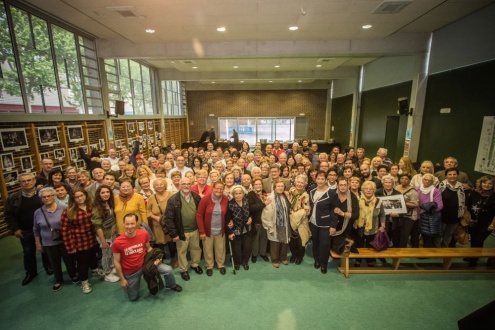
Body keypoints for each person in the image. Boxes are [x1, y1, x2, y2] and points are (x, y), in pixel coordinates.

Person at [112, 213, 182, 301]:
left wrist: (158, 258)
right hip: (131, 271)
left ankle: (171, 285)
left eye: (132, 223)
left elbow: (149, 249)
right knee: (133, 298)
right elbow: (116, 262)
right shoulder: (118, 242)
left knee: (168, 269)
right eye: (127, 224)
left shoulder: (144, 234)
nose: (130, 226)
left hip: (146, 264)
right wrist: (122, 279)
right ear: (123, 224)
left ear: (137, 223)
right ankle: (135, 283)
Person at [5, 173, 51, 285]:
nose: (27, 183)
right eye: (23, 181)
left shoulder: (43, 195)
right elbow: (8, 215)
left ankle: (48, 267)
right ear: (19, 183)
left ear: (34, 181)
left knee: (46, 249)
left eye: (29, 180)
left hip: (42, 228)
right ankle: (31, 272)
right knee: (28, 252)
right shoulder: (13, 198)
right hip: (25, 230)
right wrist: (15, 228)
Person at [33, 187, 78, 291]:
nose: (47, 198)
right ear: (41, 199)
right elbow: (35, 229)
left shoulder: (64, 208)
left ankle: (73, 275)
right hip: (48, 242)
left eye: (49, 196)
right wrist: (38, 243)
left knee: (69, 259)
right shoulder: (38, 212)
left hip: (65, 240)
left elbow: (72, 224)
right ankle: (58, 279)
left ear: (54, 196)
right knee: (54, 262)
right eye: (44, 197)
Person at [61, 188, 103, 294]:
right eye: (77, 197)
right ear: (73, 198)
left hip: (92, 238)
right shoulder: (68, 212)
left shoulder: (91, 207)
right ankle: (84, 282)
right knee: (82, 263)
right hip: (79, 241)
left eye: (81, 196)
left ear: (86, 195)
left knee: (93, 256)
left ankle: (94, 269)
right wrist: (70, 246)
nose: (80, 198)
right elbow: (65, 231)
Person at [163, 177, 203, 281]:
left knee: (196, 249)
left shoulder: (196, 197)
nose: (186, 186)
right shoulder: (173, 200)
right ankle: (183, 270)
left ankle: (195, 264)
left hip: (195, 230)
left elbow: (201, 214)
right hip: (181, 232)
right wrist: (174, 234)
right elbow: (168, 219)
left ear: (191, 185)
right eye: (183, 184)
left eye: (188, 184)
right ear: (179, 185)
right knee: (182, 252)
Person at [196, 181, 229, 276]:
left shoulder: (225, 199)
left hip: (220, 230)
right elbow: (199, 215)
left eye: (221, 189)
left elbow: (227, 214)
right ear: (213, 188)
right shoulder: (205, 199)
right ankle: (209, 266)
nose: (219, 190)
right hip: (207, 231)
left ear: (223, 190)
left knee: (220, 249)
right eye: (217, 188)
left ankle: (220, 265)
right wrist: (201, 231)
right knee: (207, 249)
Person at [308, 171, 338, 273]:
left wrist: (333, 226)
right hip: (313, 222)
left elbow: (334, 211)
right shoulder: (311, 191)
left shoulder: (331, 193)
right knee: (315, 242)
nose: (320, 181)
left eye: (322, 179)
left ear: (326, 180)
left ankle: (323, 263)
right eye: (318, 178)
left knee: (324, 244)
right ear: (315, 179)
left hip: (325, 223)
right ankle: (317, 260)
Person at [91, 185, 120, 282]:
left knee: (112, 253)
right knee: (106, 254)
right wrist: (103, 241)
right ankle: (107, 273)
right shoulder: (96, 207)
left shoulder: (109, 203)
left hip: (112, 233)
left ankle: (112, 268)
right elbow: (97, 226)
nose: (106, 194)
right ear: (98, 194)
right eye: (103, 192)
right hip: (104, 236)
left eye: (107, 192)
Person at [354, 181, 386, 267]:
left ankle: (370, 260)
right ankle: (358, 260)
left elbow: (382, 214)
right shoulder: (357, 199)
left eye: (370, 189)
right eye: (366, 189)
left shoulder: (378, 201)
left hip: (373, 228)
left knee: (370, 245)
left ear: (374, 190)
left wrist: (383, 225)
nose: (368, 190)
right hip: (359, 227)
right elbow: (354, 212)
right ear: (363, 190)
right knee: (359, 245)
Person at [146, 178, 176, 267]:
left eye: (161, 184)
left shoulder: (171, 195)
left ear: (165, 185)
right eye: (157, 185)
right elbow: (147, 211)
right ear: (154, 187)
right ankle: (160, 260)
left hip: (170, 224)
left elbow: (176, 208)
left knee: (171, 243)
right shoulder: (151, 198)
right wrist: (155, 217)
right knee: (160, 244)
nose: (159, 186)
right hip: (158, 225)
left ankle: (173, 259)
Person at [466, 175, 495, 266]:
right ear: (481, 183)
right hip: (473, 221)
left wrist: (492, 225)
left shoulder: (494, 195)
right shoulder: (474, 193)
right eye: (485, 182)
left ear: (493, 185)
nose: (487, 185)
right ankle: (473, 255)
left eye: (490, 183)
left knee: (479, 240)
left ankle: (474, 260)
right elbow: (468, 205)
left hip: (486, 223)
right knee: (474, 240)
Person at [262, 180, 291, 268]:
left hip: (285, 223)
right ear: (274, 187)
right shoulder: (270, 198)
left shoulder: (285, 196)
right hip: (274, 224)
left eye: (282, 186)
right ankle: (275, 259)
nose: (280, 188)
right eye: (278, 186)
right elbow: (267, 213)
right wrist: (269, 226)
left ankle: (283, 258)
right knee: (275, 243)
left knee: (284, 242)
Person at [331, 177, 360, 256]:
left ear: (348, 186)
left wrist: (343, 213)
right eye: (341, 185)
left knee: (342, 245)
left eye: (345, 185)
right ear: (337, 186)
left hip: (347, 227)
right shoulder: (332, 194)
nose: (343, 187)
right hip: (332, 225)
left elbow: (356, 215)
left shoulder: (353, 197)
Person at [226, 185, 252, 270]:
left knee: (247, 247)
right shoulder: (230, 204)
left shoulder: (247, 201)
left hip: (246, 229)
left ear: (243, 194)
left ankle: (245, 262)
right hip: (236, 229)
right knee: (236, 248)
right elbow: (227, 219)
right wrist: (230, 232)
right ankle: (237, 262)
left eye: (240, 193)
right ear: (233, 194)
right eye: (236, 194)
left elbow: (251, 212)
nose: (238, 195)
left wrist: (251, 218)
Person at [438, 168, 466, 247]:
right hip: (442, 214)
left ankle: (444, 248)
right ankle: (436, 248)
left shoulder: (462, 187)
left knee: (449, 234)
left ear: (457, 175)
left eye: (454, 174)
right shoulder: (441, 185)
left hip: (455, 215)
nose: (452, 176)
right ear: (446, 176)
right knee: (439, 233)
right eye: (450, 174)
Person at [288, 175, 311, 265]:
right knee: (292, 241)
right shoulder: (291, 191)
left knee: (301, 241)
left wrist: (294, 216)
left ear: (305, 184)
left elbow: (306, 211)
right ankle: (293, 255)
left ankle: (300, 257)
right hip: (290, 220)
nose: (300, 184)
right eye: (298, 182)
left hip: (301, 222)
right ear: (295, 182)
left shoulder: (306, 195)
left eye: (302, 183)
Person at [416, 173, 444, 248]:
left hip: (429, 217)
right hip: (417, 215)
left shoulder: (436, 191)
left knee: (428, 237)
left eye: (430, 180)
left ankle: (426, 253)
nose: (427, 182)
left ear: (432, 182)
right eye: (425, 179)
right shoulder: (417, 189)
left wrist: (425, 210)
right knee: (416, 234)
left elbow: (440, 206)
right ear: (422, 180)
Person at [247, 177, 269, 263]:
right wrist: (264, 204)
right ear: (253, 185)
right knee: (255, 240)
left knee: (264, 238)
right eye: (256, 184)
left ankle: (263, 253)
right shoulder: (250, 194)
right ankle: (254, 255)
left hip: (265, 220)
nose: (258, 186)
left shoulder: (264, 193)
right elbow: (251, 208)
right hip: (256, 221)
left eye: (260, 184)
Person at [375, 174, 401, 246]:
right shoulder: (377, 192)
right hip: (380, 220)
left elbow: (402, 209)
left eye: (390, 182)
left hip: (394, 221)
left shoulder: (398, 194)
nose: (388, 184)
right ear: (383, 184)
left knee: (395, 241)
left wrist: (398, 214)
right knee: (381, 240)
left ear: (393, 184)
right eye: (386, 182)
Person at [395, 174, 420, 248]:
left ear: (409, 180)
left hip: (409, 216)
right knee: (397, 234)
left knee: (404, 235)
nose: (404, 180)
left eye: (406, 179)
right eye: (402, 178)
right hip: (397, 214)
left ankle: (403, 252)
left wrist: (402, 203)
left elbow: (416, 204)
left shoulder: (413, 191)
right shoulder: (396, 187)